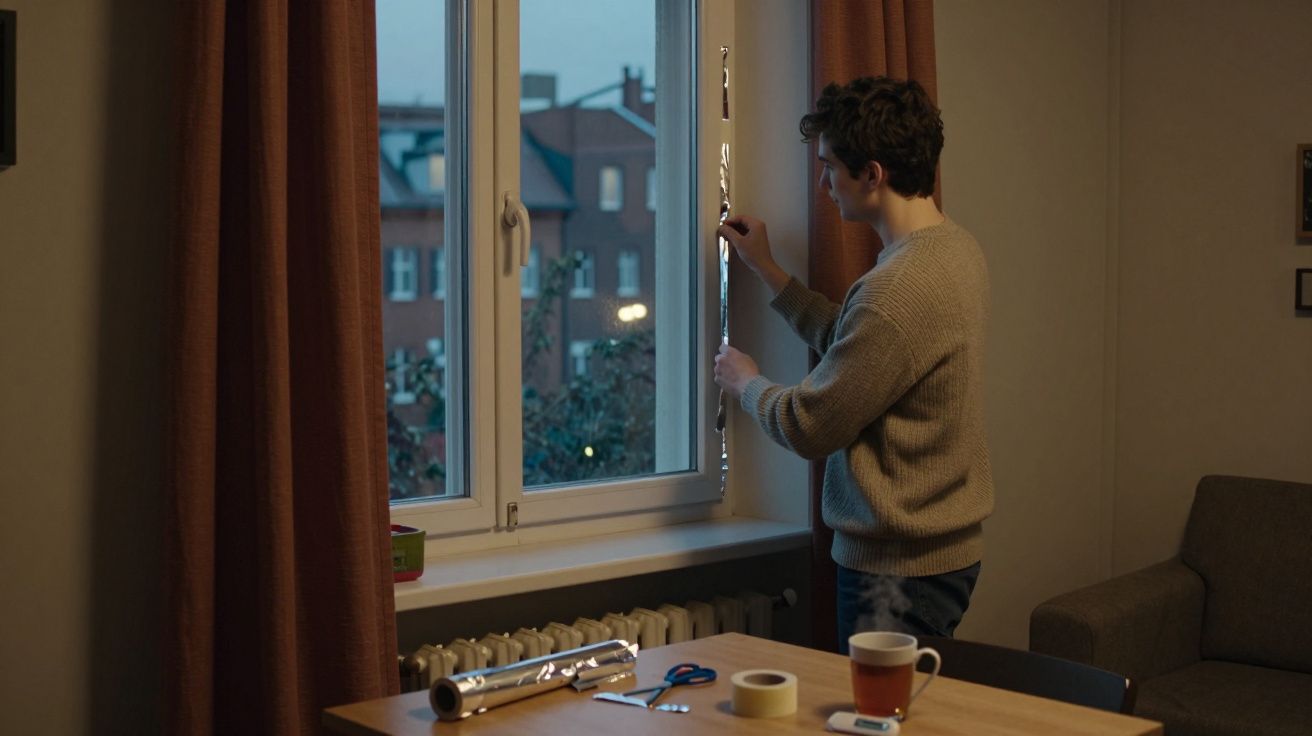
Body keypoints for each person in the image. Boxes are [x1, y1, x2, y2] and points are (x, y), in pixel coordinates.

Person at [713, 76, 993, 653]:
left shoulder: (897, 289)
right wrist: (769, 270)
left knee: (879, 720)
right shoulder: (954, 249)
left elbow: (811, 424)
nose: (823, 184)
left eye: (830, 167)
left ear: (872, 174)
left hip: (897, 572)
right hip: (939, 556)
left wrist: (746, 384)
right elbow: (864, 347)